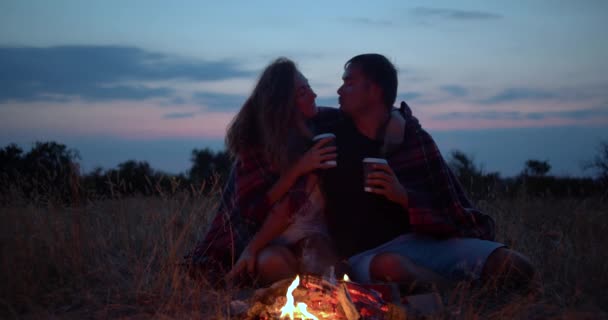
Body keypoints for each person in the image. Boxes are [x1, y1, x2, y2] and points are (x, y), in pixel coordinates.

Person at [320, 53, 536, 292]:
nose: (340, 91)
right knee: (391, 267)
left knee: (516, 265)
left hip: (423, 242)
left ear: (374, 91)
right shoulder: (331, 134)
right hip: (367, 254)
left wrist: (403, 197)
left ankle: (446, 285)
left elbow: (445, 207)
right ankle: (460, 295)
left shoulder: (413, 140)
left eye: (349, 83)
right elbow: (294, 113)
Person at [188, 58, 338, 285]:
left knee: (320, 260)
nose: (314, 95)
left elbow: (370, 113)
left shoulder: (323, 126)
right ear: (286, 104)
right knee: (271, 263)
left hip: (315, 232)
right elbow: (252, 209)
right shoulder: (259, 146)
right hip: (270, 235)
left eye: (309, 87)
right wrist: (299, 168)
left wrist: (399, 116)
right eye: (303, 91)